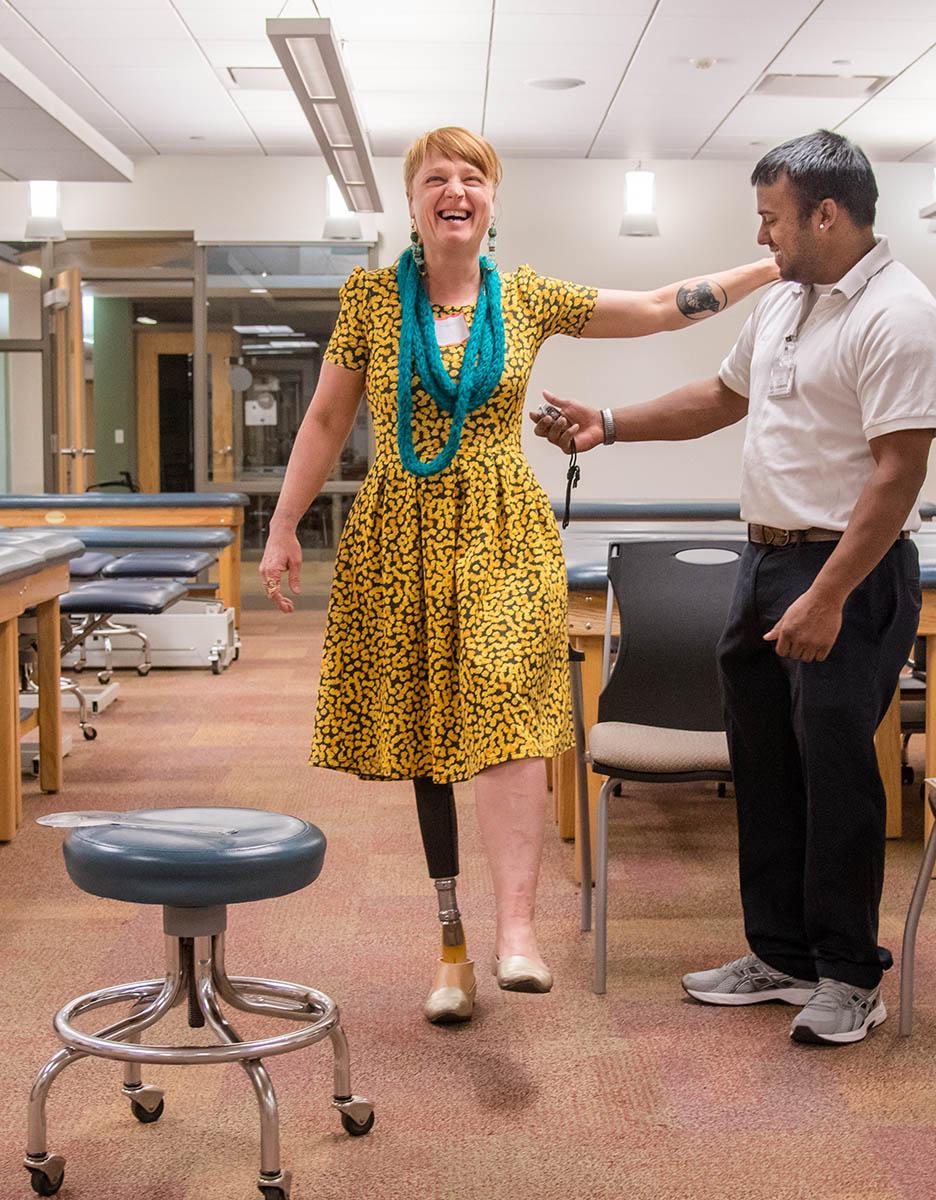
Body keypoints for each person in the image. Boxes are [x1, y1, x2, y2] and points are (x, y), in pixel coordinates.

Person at [260, 126, 777, 1025]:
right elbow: (323, 421)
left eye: (472, 179)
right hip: (398, 537)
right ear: (412, 202)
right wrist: (282, 524)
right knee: (425, 737)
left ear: (492, 201)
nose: (453, 191)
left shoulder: (526, 296)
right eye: (435, 179)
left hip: (500, 530)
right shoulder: (372, 300)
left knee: (507, 713)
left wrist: (770, 269)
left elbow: (659, 305)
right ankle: (451, 942)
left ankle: (518, 935)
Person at [531, 129, 936, 1046]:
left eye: (772, 218)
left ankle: (848, 973)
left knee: (838, 773)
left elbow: (897, 476)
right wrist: (608, 423)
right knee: (765, 764)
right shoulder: (785, 304)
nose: (762, 237)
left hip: (848, 568)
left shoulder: (900, 314)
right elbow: (722, 399)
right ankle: (783, 953)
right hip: (762, 561)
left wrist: (830, 595)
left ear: (826, 214)